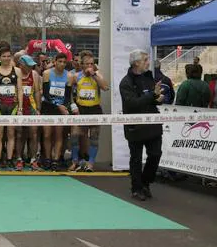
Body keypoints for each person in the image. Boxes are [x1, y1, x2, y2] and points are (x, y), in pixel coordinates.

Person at [119, 49, 164, 201]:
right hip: (135, 126)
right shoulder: (126, 82)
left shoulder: (148, 77)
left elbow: (151, 98)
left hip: (152, 124)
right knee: (136, 159)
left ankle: (145, 182)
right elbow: (133, 104)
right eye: (145, 60)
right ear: (136, 63)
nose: (148, 62)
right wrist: (152, 95)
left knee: (156, 154)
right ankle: (136, 188)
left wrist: (157, 97)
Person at [69, 50, 109, 172]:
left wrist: (94, 75)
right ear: (82, 64)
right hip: (80, 109)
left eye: (92, 63)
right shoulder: (76, 76)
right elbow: (69, 92)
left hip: (95, 109)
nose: (89, 66)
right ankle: (75, 161)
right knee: (75, 135)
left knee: (94, 137)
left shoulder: (97, 75)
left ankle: (91, 163)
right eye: (87, 64)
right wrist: (72, 105)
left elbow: (105, 87)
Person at [41, 52, 78, 171]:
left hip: (61, 107)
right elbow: (46, 94)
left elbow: (67, 96)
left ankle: (55, 160)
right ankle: (47, 158)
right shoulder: (47, 73)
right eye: (59, 62)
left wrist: (64, 106)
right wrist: (57, 105)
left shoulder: (69, 76)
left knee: (58, 134)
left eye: (64, 62)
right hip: (48, 106)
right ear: (55, 62)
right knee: (47, 134)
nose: (62, 64)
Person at [0, 46, 23, 168]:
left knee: (11, 133)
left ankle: (10, 159)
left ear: (11, 57)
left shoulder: (17, 71)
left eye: (8, 56)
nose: (6, 58)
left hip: (13, 105)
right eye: (3, 56)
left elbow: (19, 89)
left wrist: (20, 107)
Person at [16, 54, 42, 171]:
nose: (31, 68)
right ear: (21, 65)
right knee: (20, 134)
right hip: (19, 106)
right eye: (28, 65)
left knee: (34, 134)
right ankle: (19, 159)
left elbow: (36, 92)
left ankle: (33, 160)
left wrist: (38, 108)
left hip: (31, 106)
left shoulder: (34, 74)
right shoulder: (17, 73)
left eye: (32, 65)